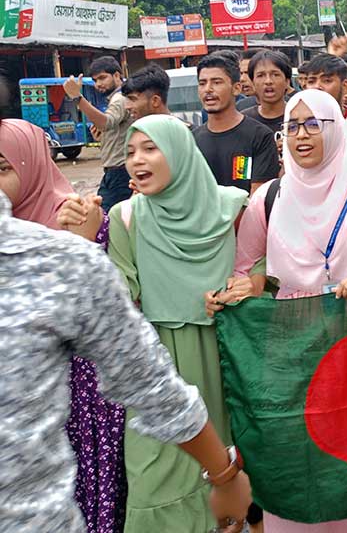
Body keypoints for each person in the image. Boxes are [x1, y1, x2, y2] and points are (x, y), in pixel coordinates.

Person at [217, 90, 347, 533]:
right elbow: (249, 268)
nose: (301, 136)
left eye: (314, 125)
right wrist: (240, 291)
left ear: (336, 129)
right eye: (293, 126)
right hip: (288, 346)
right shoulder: (268, 198)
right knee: (295, 452)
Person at [0, 185, 252, 533]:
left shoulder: (55, 262)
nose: (138, 163)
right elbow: (150, 384)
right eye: (131, 151)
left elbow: (149, 384)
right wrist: (225, 477)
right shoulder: (62, 257)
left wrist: (223, 477)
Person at [107, 115, 249, 532]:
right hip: (157, 370)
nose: (137, 160)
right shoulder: (126, 216)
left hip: (225, 363)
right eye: (131, 152)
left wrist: (245, 287)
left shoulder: (234, 208)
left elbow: (261, 272)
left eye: (150, 148)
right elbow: (117, 302)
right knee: (154, 477)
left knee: (228, 475)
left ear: (181, 153)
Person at [0, 118, 127, 533]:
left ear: (31, 165)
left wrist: (85, 245)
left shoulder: (80, 218)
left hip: (76, 391)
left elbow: (113, 310)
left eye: (3, 169)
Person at [192, 53, 280, 194]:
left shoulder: (259, 136)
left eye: (217, 82)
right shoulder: (191, 140)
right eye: (202, 83)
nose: (208, 89)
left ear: (236, 88)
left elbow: (258, 198)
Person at [62, 56, 133, 211]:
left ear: (116, 75)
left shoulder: (120, 98)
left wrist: (77, 98)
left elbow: (105, 122)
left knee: (103, 217)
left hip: (120, 171)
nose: (98, 84)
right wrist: (103, 138)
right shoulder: (116, 98)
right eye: (95, 80)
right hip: (114, 170)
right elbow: (111, 128)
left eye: (102, 78)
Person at [242, 50, 294, 135]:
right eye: (261, 75)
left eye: (275, 74)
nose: (268, 81)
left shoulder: (299, 116)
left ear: (287, 82)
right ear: (253, 82)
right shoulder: (244, 121)